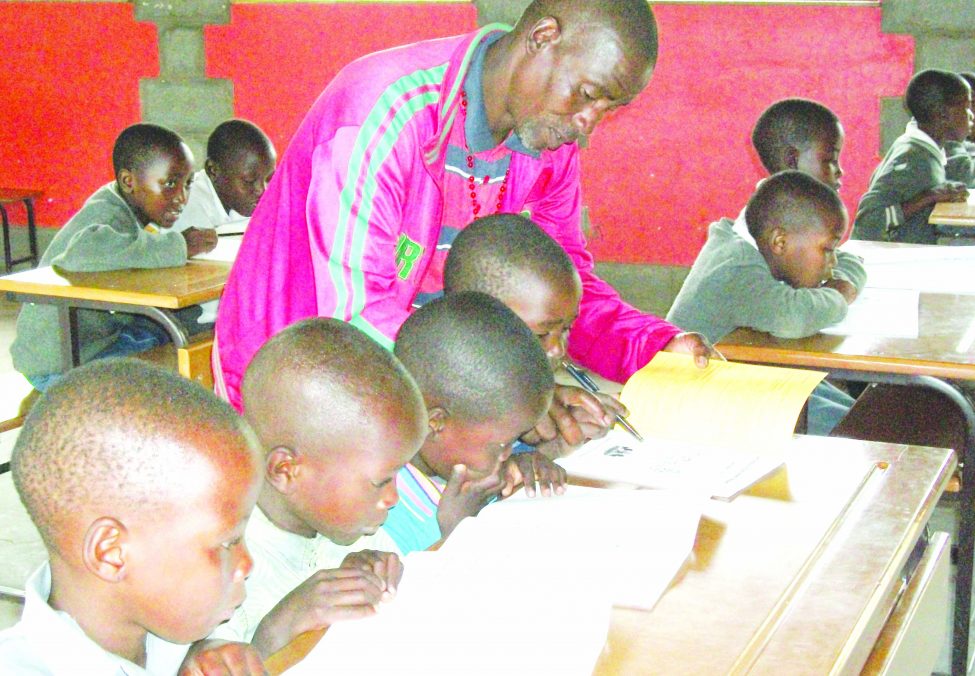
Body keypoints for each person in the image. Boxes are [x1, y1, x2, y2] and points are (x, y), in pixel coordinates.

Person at [212, 0, 714, 416]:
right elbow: (354, 321)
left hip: (434, 391)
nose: (588, 125)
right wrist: (509, 399)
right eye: (586, 95)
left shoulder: (550, 146)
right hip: (296, 389)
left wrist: (654, 347)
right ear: (542, 36)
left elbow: (565, 291)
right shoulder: (388, 112)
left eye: (609, 108)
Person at [0, 359, 264, 675]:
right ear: (112, 554)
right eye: (228, 542)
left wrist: (206, 648)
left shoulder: (172, 620)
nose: (248, 564)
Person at [209, 317, 427, 660]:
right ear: (286, 471)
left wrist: (374, 570)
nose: (393, 498)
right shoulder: (216, 563)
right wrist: (281, 625)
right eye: (380, 481)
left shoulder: (350, 525)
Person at [9, 123, 217, 391]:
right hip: (63, 365)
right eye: (169, 184)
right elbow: (83, 252)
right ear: (128, 181)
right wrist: (180, 246)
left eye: (187, 184)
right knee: (179, 354)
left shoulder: (127, 206)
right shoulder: (106, 214)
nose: (181, 197)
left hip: (94, 343)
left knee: (187, 331)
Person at [667, 171, 865, 435]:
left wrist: (843, 278)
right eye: (827, 250)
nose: (833, 263)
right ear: (779, 242)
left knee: (852, 410)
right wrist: (841, 292)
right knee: (855, 432)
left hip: (742, 378)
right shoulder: (735, 265)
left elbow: (851, 261)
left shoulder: (759, 243)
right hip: (696, 402)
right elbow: (794, 317)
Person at [385, 291, 559, 554]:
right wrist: (457, 530)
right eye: (504, 444)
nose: (507, 455)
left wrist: (528, 458)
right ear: (435, 424)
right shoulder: (380, 511)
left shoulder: (463, 451)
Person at [444, 212, 626, 457]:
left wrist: (555, 446)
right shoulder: (442, 414)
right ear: (475, 326)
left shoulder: (529, 393)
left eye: (566, 329)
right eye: (542, 334)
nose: (558, 350)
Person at [853, 69, 972, 244]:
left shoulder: (924, 150)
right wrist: (927, 197)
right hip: (886, 264)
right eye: (966, 107)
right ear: (943, 115)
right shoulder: (913, 159)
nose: (971, 115)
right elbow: (867, 222)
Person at [173, 119, 277, 234]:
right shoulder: (184, 211)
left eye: (269, 179)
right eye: (249, 181)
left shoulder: (248, 203)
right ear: (213, 170)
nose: (262, 190)